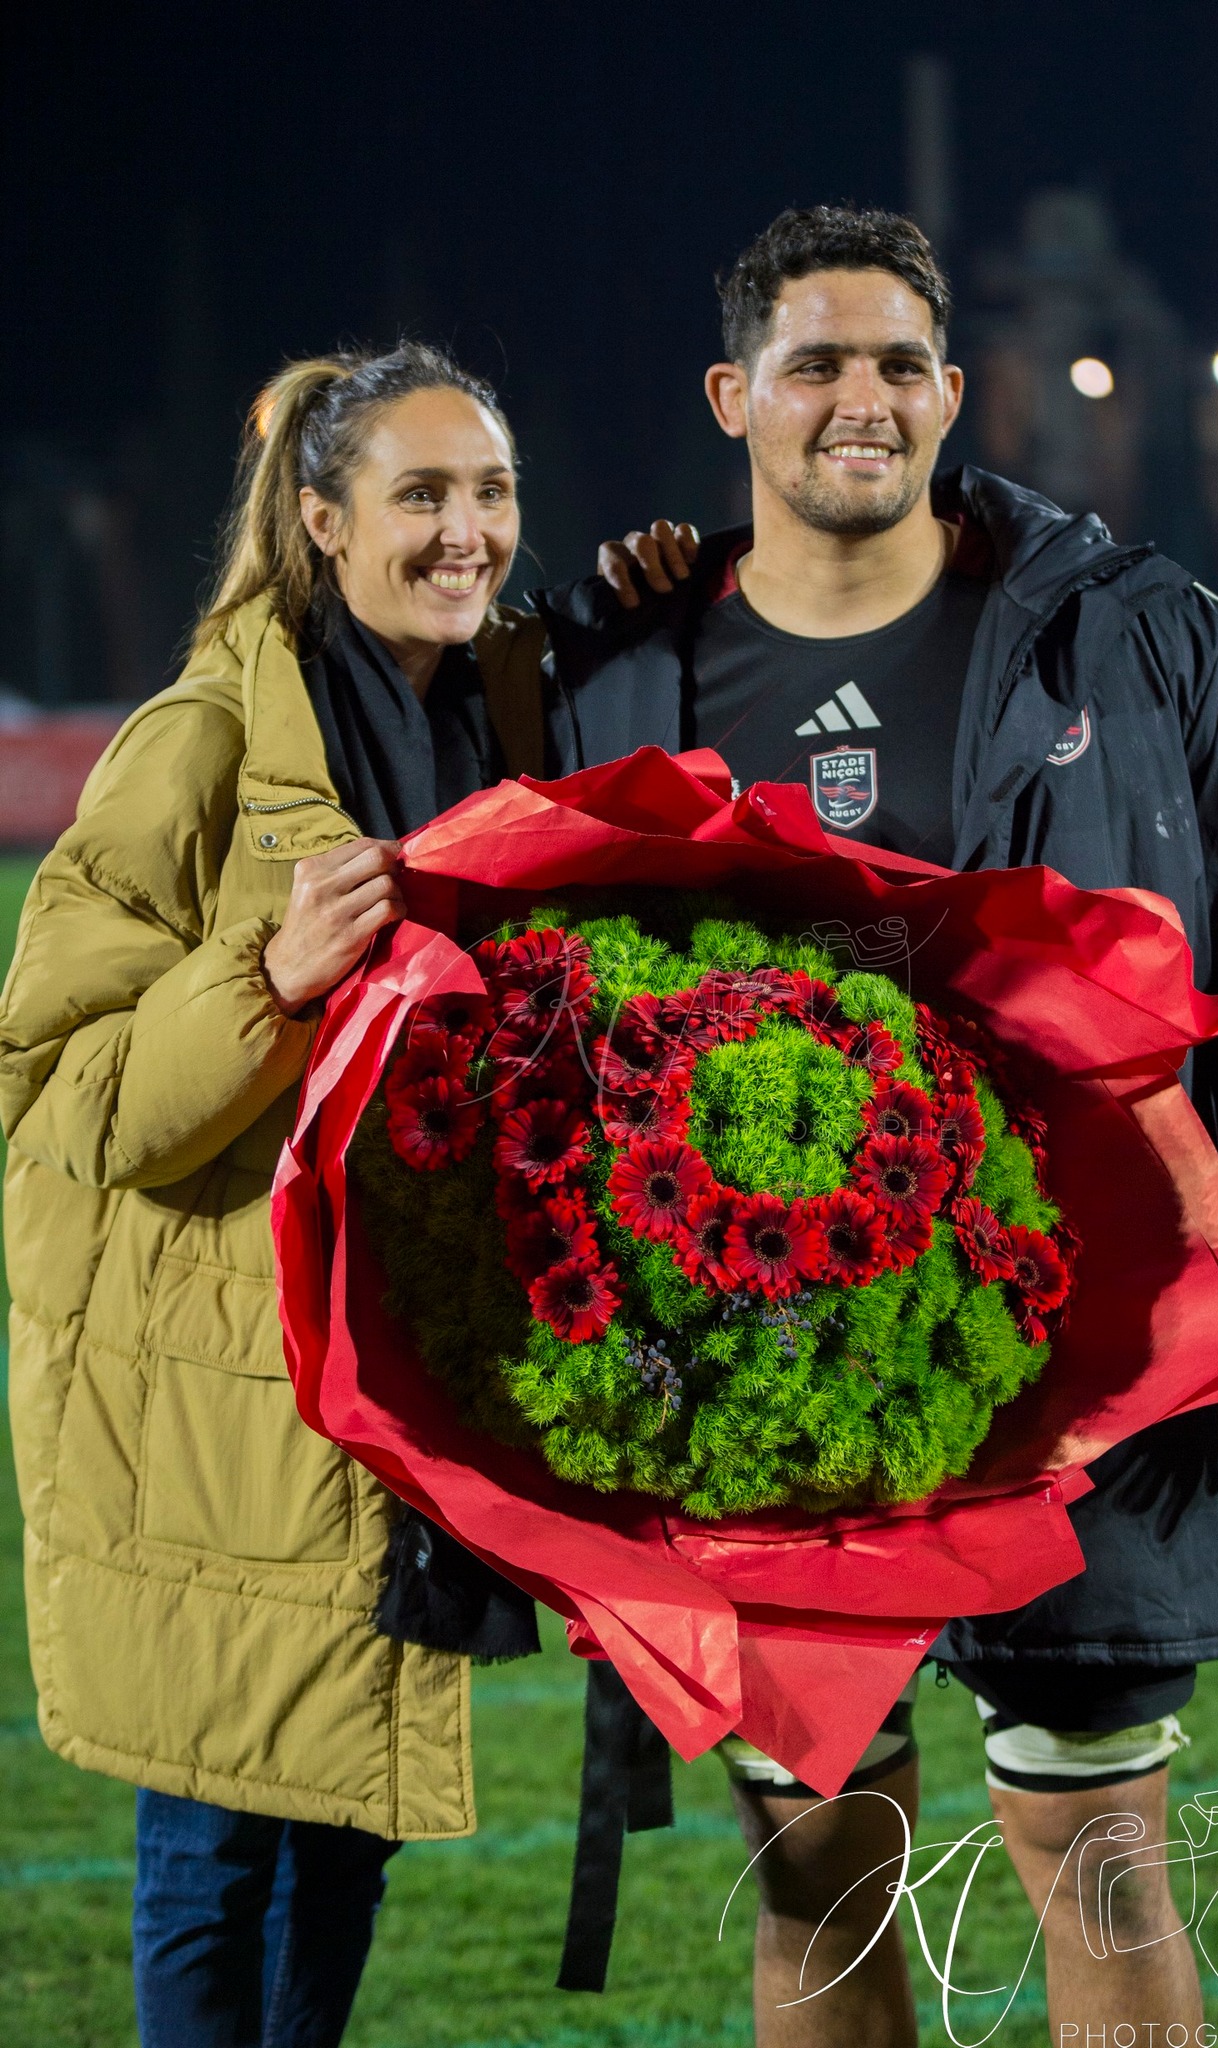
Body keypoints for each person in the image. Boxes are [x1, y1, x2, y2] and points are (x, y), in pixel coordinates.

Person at [535, 206, 1218, 2047]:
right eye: (816, 364)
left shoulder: (1135, 634)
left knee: (1100, 1847)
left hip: (1088, 1325)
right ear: (732, 393)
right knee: (817, 1862)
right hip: (753, 1354)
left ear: (953, 391)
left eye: (899, 364)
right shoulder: (614, 668)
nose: (862, 402)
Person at [0, 341, 554, 2047]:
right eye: (424, 495)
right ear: (320, 519)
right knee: (217, 1836)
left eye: (492, 492)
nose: (470, 533)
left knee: (348, 1832)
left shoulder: (507, 711)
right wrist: (267, 973)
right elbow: (59, 1093)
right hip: (223, 1390)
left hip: (400, 1377)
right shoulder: (200, 740)